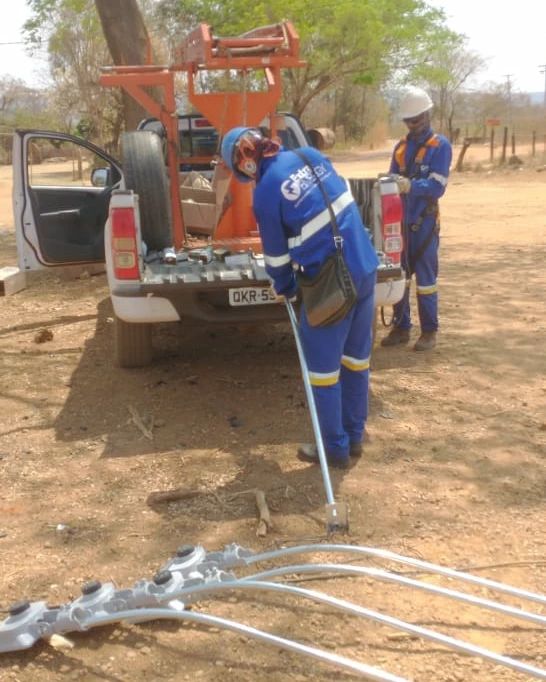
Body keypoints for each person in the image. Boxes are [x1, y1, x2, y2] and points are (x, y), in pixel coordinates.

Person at [220, 127, 379, 469]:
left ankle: (334, 450)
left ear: (244, 162)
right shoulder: (311, 156)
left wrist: (290, 290)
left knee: (323, 373)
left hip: (331, 284)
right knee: (355, 361)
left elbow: (276, 261)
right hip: (365, 266)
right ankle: (353, 437)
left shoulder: (264, 192)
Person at [381, 86, 452, 351]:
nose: (413, 125)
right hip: (399, 223)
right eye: (408, 120)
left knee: (425, 279)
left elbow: (437, 187)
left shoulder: (439, 146)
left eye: (417, 119)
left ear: (427, 114)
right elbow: (392, 178)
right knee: (399, 275)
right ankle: (401, 327)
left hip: (425, 222)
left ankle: (429, 331)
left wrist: (410, 186)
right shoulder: (400, 148)